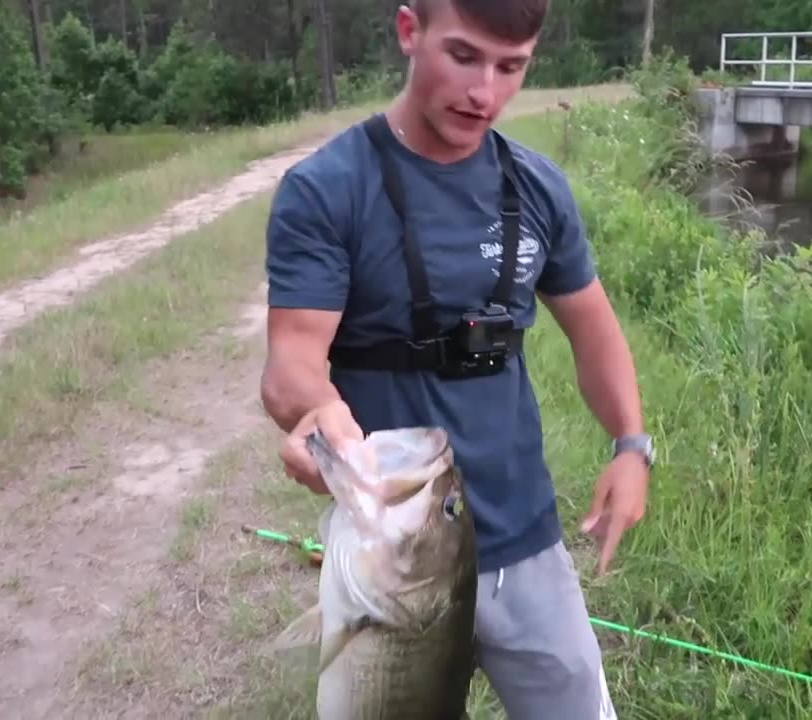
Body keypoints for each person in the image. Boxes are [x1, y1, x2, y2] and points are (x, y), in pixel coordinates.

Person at [259, 0, 653, 717]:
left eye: (512, 67)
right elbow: (291, 359)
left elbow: (594, 329)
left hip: (524, 541)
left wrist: (633, 445)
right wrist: (319, 412)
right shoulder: (327, 189)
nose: (486, 93)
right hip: (397, 558)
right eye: (465, 57)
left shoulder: (538, 188)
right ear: (410, 31)